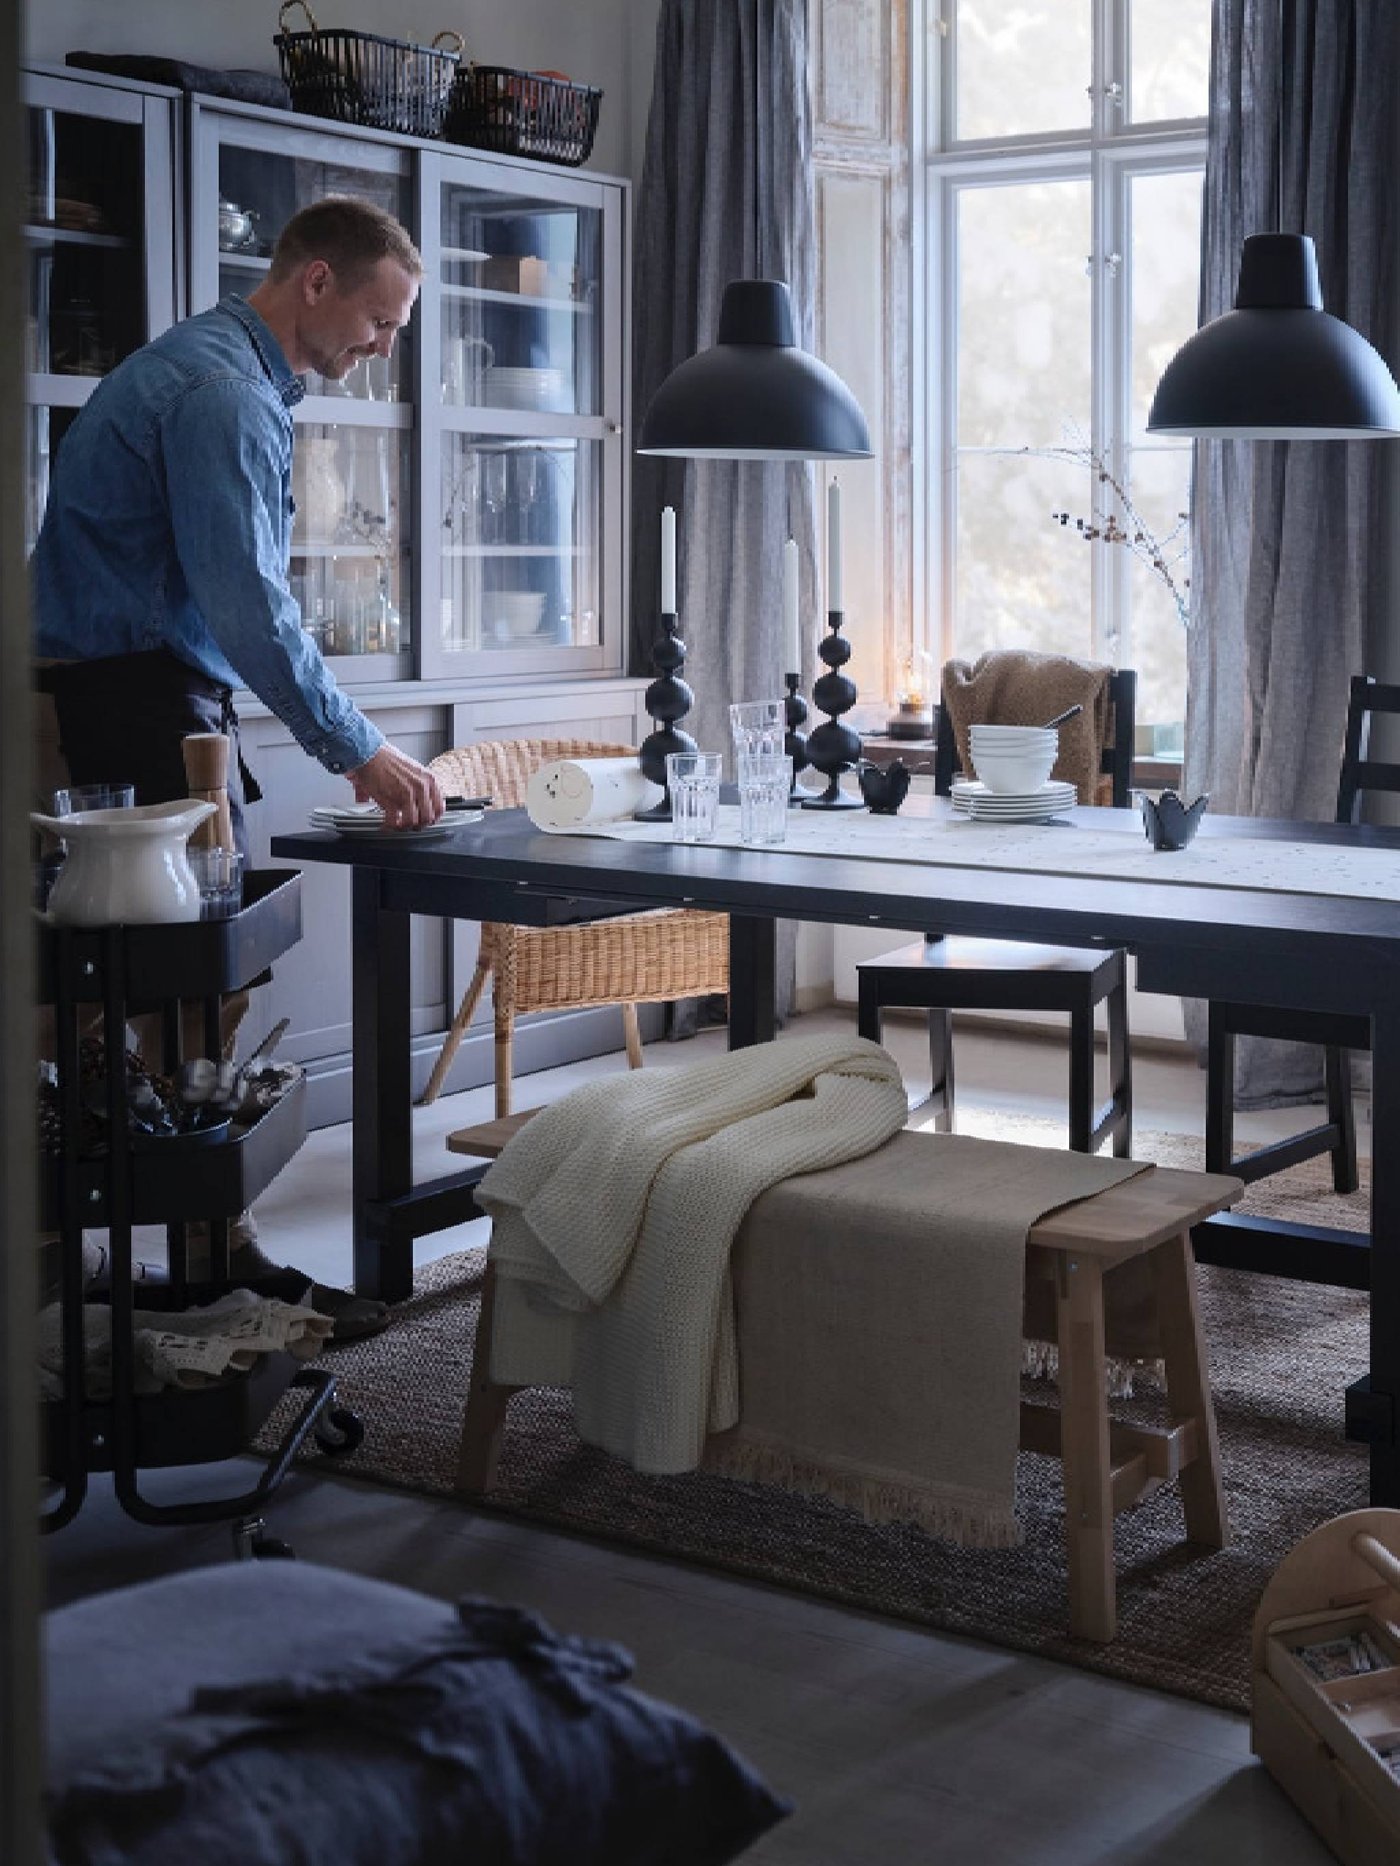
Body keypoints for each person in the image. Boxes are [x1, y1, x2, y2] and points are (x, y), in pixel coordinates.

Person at [33, 196, 445, 1339]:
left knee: (134, 1000)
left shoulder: (218, 371)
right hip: (131, 706)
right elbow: (247, 605)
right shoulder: (223, 394)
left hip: (129, 694)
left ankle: (158, 1263)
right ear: (314, 281)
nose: (383, 345)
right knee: (179, 998)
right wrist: (358, 747)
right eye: (379, 317)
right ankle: (210, 1267)